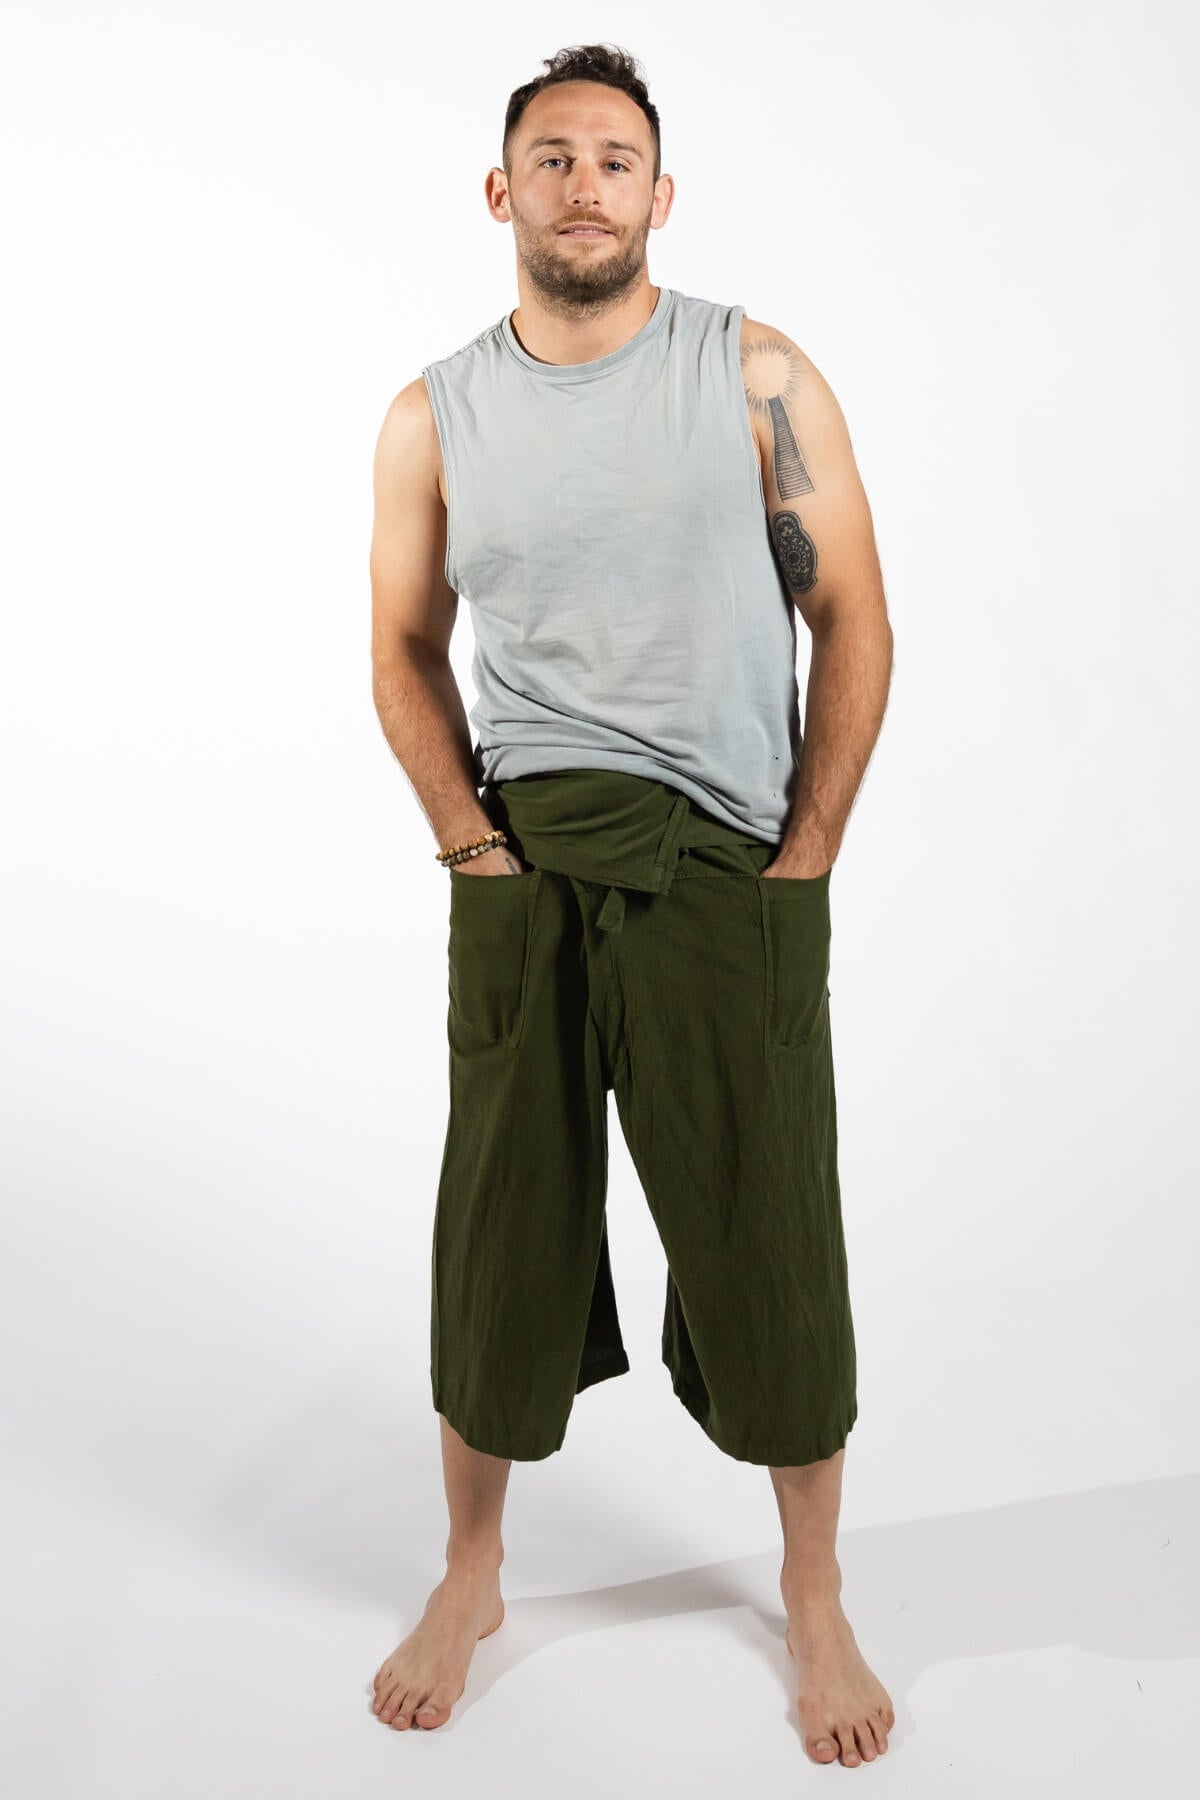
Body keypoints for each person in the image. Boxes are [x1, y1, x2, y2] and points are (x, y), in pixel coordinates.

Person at [367, 42, 896, 1768]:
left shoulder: (754, 373)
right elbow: (401, 648)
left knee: (770, 1233)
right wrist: (469, 847)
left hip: (723, 865)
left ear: (660, 195)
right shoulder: (435, 413)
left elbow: (855, 617)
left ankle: (813, 1590)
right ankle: (470, 1573)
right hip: (523, 862)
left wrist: (806, 857)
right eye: (552, 156)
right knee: (498, 1235)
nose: (582, 182)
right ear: (501, 190)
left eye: (614, 158)